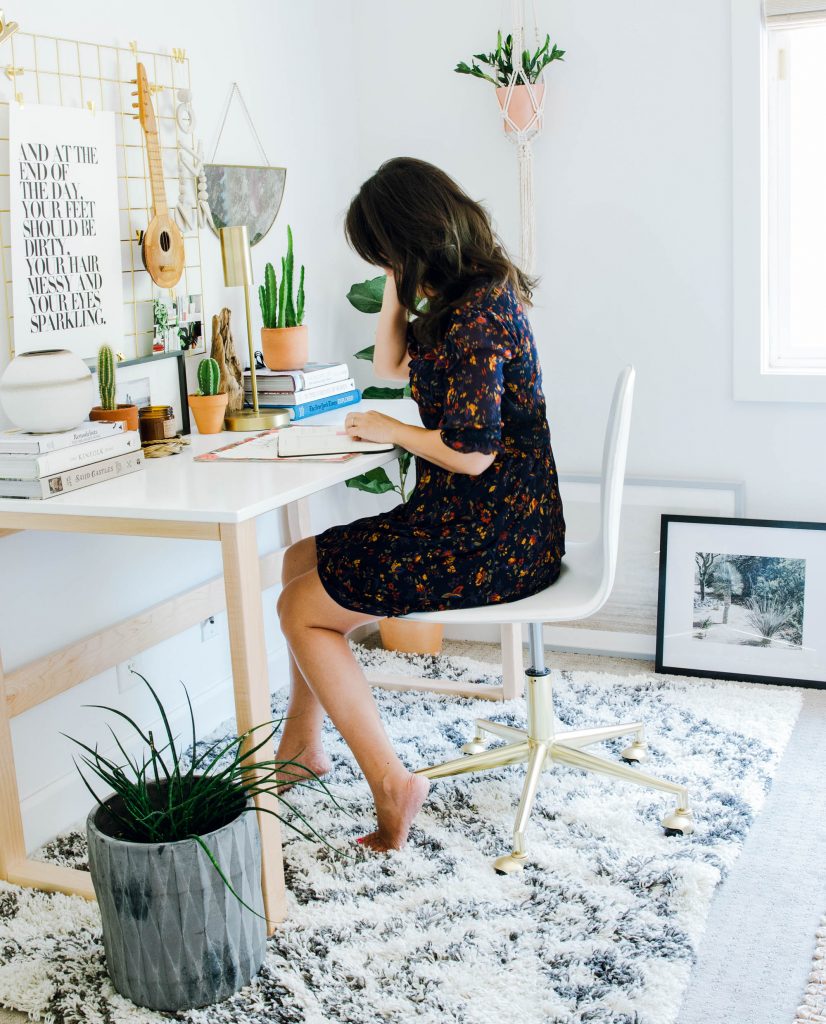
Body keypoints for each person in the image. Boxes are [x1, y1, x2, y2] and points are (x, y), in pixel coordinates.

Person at [276, 156, 565, 852]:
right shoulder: (466, 302)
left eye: (385, 252)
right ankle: (302, 744)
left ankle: (392, 784)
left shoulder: (478, 316)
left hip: (492, 539)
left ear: (412, 237)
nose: (384, 266)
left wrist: (391, 429)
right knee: (297, 558)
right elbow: (389, 367)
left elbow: (473, 452)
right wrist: (396, 282)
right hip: (476, 522)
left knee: (299, 610)